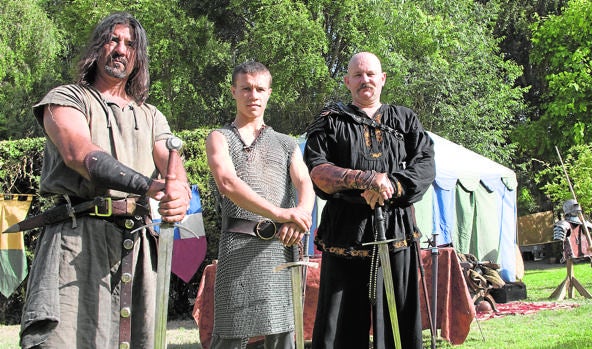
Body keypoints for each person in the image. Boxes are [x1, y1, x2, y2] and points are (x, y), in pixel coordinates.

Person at [19, 12, 191, 349]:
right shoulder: (66, 98)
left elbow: (172, 167)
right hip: (76, 239)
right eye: (113, 40)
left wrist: (179, 193)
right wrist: (147, 186)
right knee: (64, 341)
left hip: (136, 242)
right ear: (98, 47)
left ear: (138, 57)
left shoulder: (151, 115)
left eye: (130, 44)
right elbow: (79, 153)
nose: (121, 49)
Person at [303, 52, 436, 349]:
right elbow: (317, 170)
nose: (366, 80)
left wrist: (391, 183)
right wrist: (365, 179)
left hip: (396, 230)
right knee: (342, 327)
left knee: (398, 320)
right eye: (358, 75)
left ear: (382, 78)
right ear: (347, 81)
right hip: (345, 234)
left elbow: (425, 165)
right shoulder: (330, 121)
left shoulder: (405, 119)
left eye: (371, 74)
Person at [205, 61, 315, 349]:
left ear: (269, 94)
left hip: (279, 247)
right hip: (238, 246)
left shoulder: (286, 143)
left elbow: (305, 183)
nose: (253, 95)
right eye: (246, 88)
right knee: (230, 335)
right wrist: (280, 213)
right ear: (233, 91)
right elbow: (228, 183)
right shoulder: (219, 138)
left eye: (260, 89)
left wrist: (301, 215)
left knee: (282, 333)